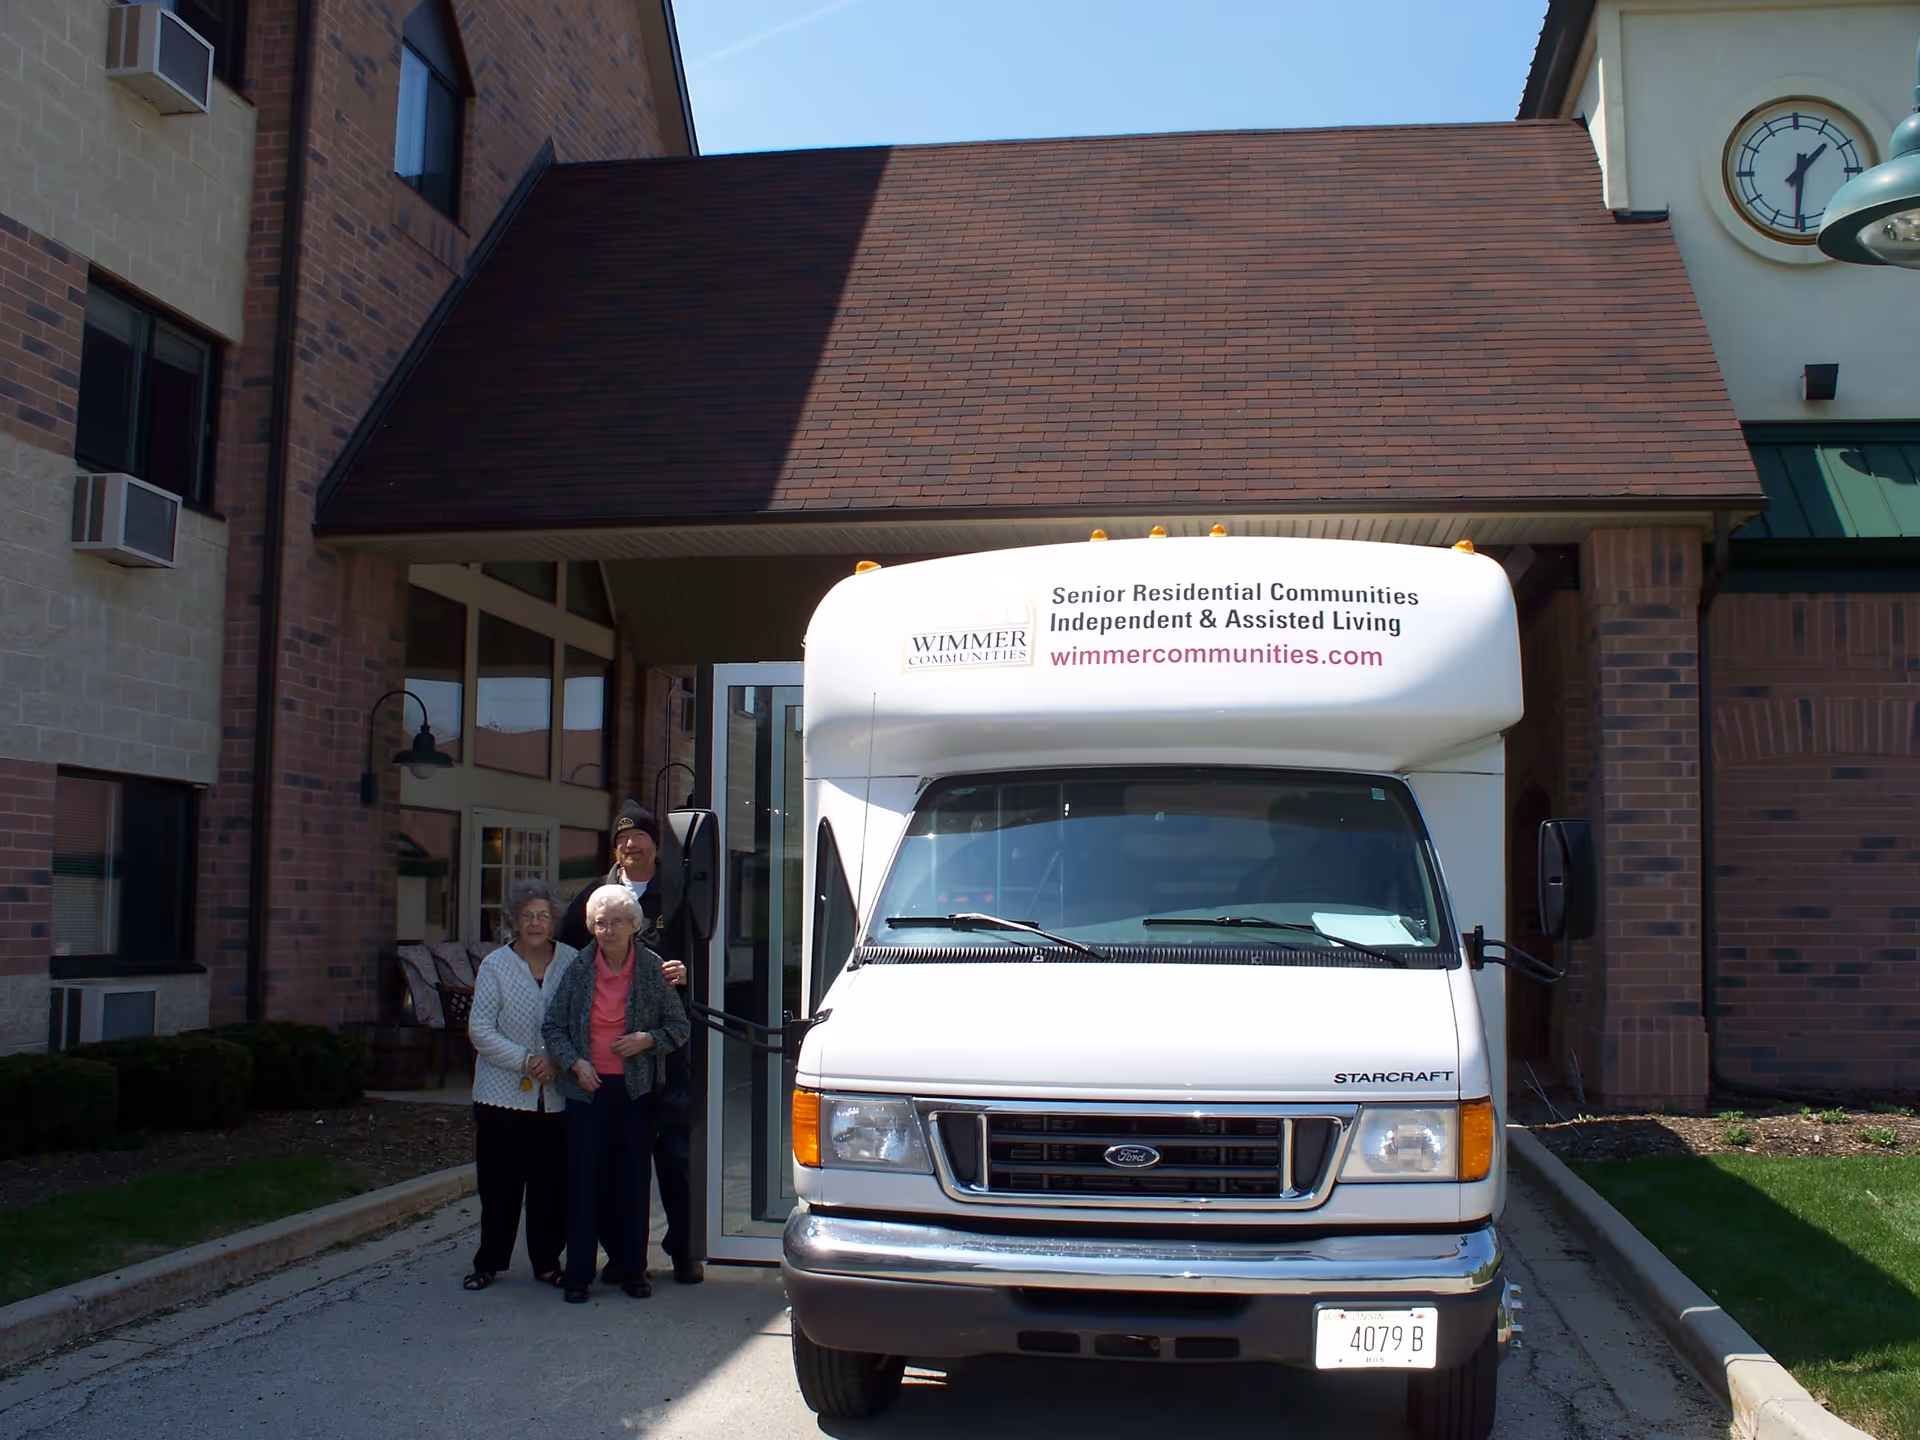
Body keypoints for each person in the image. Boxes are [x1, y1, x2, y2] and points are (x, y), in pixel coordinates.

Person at [559, 800, 702, 1285]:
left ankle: (685, 1251)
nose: (630, 845)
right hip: (606, 1062)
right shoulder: (596, 896)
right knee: (614, 1165)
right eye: (622, 839)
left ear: (655, 845)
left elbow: (711, 958)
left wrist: (689, 974)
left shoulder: (681, 893)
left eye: (639, 837)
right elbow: (567, 960)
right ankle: (619, 1257)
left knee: (676, 1156)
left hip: (666, 1048)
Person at [542, 883, 690, 1303]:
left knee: (632, 1182)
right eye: (601, 923)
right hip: (587, 1089)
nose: (609, 931)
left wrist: (646, 1039)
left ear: (633, 925)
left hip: (634, 1090)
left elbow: (678, 1028)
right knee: (584, 1182)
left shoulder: (650, 967)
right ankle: (579, 1274)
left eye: (618, 923)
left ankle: (632, 1269)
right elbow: (552, 1026)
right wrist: (575, 1063)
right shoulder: (579, 968)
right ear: (591, 926)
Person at [463, 879, 578, 1291]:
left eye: (543, 916)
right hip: (501, 1096)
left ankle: (547, 1263)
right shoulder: (495, 965)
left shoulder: (571, 961)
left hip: (558, 1097)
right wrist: (527, 1062)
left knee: (551, 1186)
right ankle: (489, 1262)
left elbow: (580, 1021)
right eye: (527, 916)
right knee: (500, 1186)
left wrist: (558, 1061)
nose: (535, 923)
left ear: (554, 921)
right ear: (514, 920)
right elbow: (480, 1030)